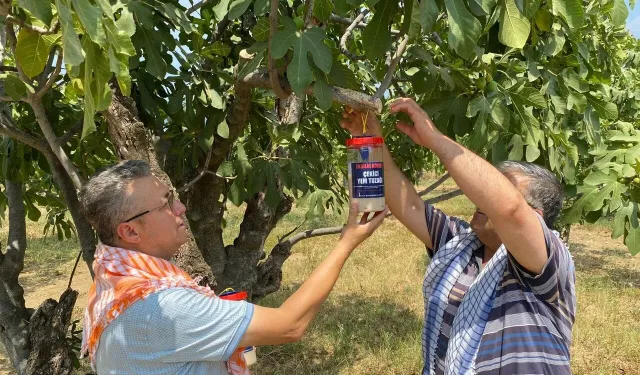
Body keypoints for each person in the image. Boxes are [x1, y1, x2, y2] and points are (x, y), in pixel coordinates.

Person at [78, 159, 388, 375]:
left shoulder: (113, 281)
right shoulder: (161, 308)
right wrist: (347, 242)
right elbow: (290, 324)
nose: (181, 208)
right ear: (131, 232)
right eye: (166, 203)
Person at [341, 98, 576, 374]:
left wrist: (436, 139)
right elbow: (409, 205)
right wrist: (369, 137)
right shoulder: (461, 243)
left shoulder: (547, 262)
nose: (482, 198)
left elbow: (510, 209)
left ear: (535, 216)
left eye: (501, 189)